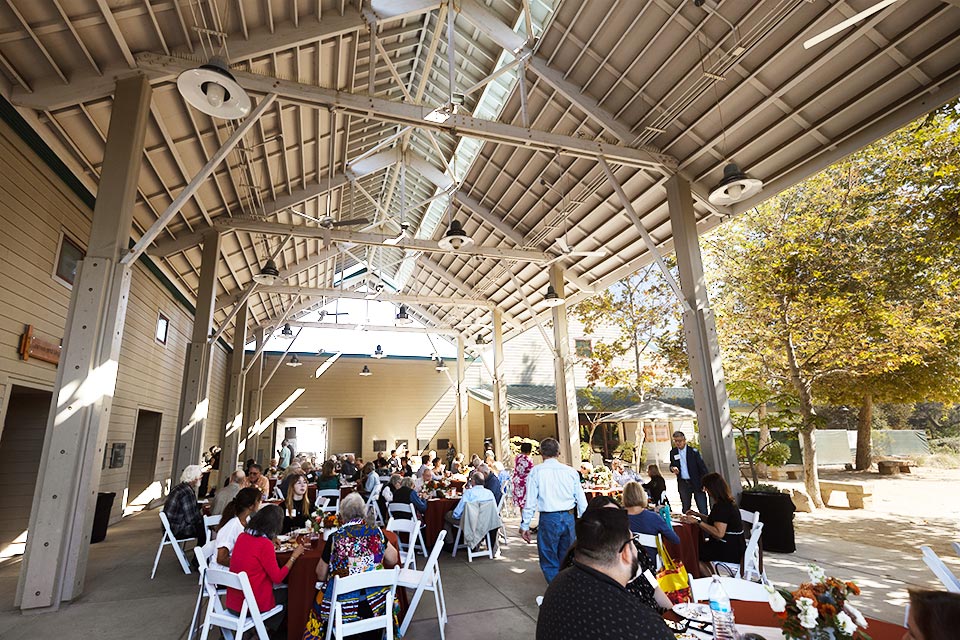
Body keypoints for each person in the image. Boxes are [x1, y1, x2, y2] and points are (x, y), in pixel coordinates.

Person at [536, 506, 674, 640]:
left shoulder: (558, 583)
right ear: (625, 553)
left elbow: (655, 587)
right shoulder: (641, 624)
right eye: (633, 541)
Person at [302, 493, 401, 640]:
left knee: (319, 599)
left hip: (343, 606)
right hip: (377, 603)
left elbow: (321, 574)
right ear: (363, 511)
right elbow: (393, 559)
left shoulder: (336, 538)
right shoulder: (376, 532)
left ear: (342, 515)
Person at [560, 496, 674, 615]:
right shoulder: (586, 561)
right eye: (607, 521)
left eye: (618, 518)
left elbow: (654, 587)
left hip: (656, 616)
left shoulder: (636, 548)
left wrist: (675, 615)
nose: (616, 526)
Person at [519, 437, 588, 583]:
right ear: (559, 452)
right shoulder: (570, 472)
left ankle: (557, 592)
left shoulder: (536, 472)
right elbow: (581, 500)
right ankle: (566, 591)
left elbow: (530, 501)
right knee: (568, 557)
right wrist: (584, 521)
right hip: (569, 517)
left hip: (549, 518)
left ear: (541, 453)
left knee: (549, 558)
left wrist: (525, 525)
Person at [227, 504, 305, 627]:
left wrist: (270, 539)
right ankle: (266, 630)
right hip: (252, 605)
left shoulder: (242, 537)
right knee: (292, 592)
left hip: (234, 603)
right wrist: (294, 556)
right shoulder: (264, 545)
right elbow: (278, 577)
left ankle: (256, 630)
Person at [679, 472, 745, 576]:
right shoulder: (725, 503)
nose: (705, 490)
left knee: (692, 554)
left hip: (729, 549)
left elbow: (719, 533)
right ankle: (714, 576)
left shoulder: (722, 507)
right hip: (735, 544)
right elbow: (714, 521)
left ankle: (711, 581)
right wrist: (697, 514)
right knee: (699, 549)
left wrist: (698, 522)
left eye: (706, 487)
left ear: (713, 488)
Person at [621, 481, 679, 564]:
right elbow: (675, 539)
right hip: (650, 565)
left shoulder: (617, 518)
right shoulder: (654, 518)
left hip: (624, 565)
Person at [443, 471, 498, 552]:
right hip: (485, 522)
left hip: (471, 522)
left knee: (447, 515)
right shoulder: (489, 493)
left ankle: (450, 543)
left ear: (473, 481)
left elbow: (457, 512)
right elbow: (494, 510)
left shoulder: (469, 493)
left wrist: (456, 516)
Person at [214, 487, 262, 570]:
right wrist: (245, 564)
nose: (260, 503)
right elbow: (221, 559)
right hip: (224, 573)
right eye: (258, 500)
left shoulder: (247, 520)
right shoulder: (231, 527)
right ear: (251, 506)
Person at [163, 465, 206, 543]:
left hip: (170, 527)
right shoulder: (187, 492)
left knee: (203, 524)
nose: (201, 478)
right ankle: (200, 554)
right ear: (194, 477)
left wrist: (199, 507)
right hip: (178, 529)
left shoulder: (180, 487)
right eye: (200, 476)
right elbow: (191, 518)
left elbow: (184, 507)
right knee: (205, 528)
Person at [669, 431, 709, 514]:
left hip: (696, 482)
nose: (678, 443)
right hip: (683, 483)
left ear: (684, 440)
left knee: (702, 508)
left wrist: (705, 483)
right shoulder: (673, 452)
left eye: (679, 441)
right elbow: (672, 465)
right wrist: (672, 468)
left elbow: (702, 468)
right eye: (675, 441)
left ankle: (705, 524)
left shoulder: (693, 452)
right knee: (686, 508)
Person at [512, 442, 534, 511]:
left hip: (517, 480)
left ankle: (522, 516)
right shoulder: (528, 459)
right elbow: (531, 470)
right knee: (526, 501)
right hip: (525, 481)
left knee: (521, 501)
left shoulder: (517, 457)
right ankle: (525, 517)